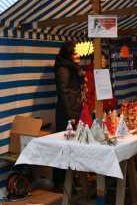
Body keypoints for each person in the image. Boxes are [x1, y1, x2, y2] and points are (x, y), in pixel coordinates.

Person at [53, 44, 82, 189]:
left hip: (72, 111)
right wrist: (71, 116)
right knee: (64, 147)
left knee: (70, 146)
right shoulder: (63, 69)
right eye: (75, 54)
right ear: (69, 54)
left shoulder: (69, 67)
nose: (78, 56)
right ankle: (60, 182)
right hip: (66, 114)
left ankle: (69, 181)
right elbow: (64, 93)